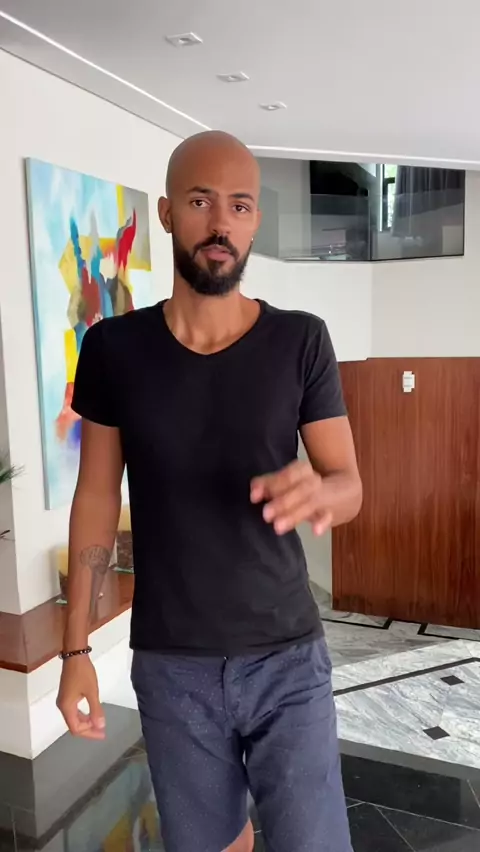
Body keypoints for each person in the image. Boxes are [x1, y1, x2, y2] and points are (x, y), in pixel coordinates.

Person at [57, 131, 362, 852]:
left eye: (240, 206)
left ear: (254, 222)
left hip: (287, 657)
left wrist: (323, 492)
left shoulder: (301, 341)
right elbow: (95, 498)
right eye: (201, 202)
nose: (221, 223)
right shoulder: (113, 349)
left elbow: (348, 482)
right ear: (166, 213)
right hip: (173, 664)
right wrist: (75, 653)